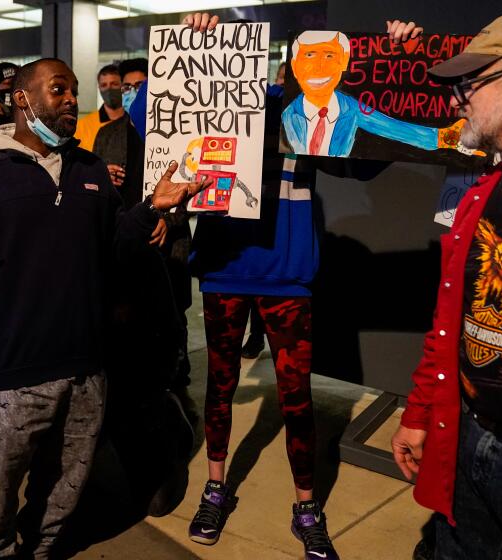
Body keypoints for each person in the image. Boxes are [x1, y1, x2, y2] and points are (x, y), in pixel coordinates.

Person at [0, 56, 208, 559]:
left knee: (63, 494)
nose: (72, 99)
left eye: (74, 90)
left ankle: (43, 549)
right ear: (22, 98)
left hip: (85, 372)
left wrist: (149, 210)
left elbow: (112, 249)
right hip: (10, 379)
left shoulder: (90, 169)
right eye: (59, 89)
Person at [186, 13, 418, 560]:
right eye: (306, 55)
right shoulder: (238, 102)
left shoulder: (325, 114)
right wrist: (199, 46)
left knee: (297, 399)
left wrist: (393, 67)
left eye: (326, 56)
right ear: (288, 58)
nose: (315, 66)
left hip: (288, 279)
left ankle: (306, 507)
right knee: (219, 386)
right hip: (225, 268)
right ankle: (215, 487)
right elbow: (161, 110)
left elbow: (372, 156)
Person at [390, 9, 502, 560]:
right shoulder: (476, 198)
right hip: (467, 436)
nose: (456, 97)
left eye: (473, 81)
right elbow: (449, 324)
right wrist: (421, 411)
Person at [281, 30, 470, 157]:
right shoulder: (285, 114)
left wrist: (448, 138)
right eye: (309, 55)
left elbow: (395, 129)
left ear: (344, 63)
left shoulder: (351, 109)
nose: (319, 67)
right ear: (294, 66)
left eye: (330, 56)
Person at [75, 64, 125, 152]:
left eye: (114, 84)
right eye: (104, 85)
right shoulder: (82, 126)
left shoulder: (133, 121)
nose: (109, 89)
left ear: (123, 86)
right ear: (99, 88)